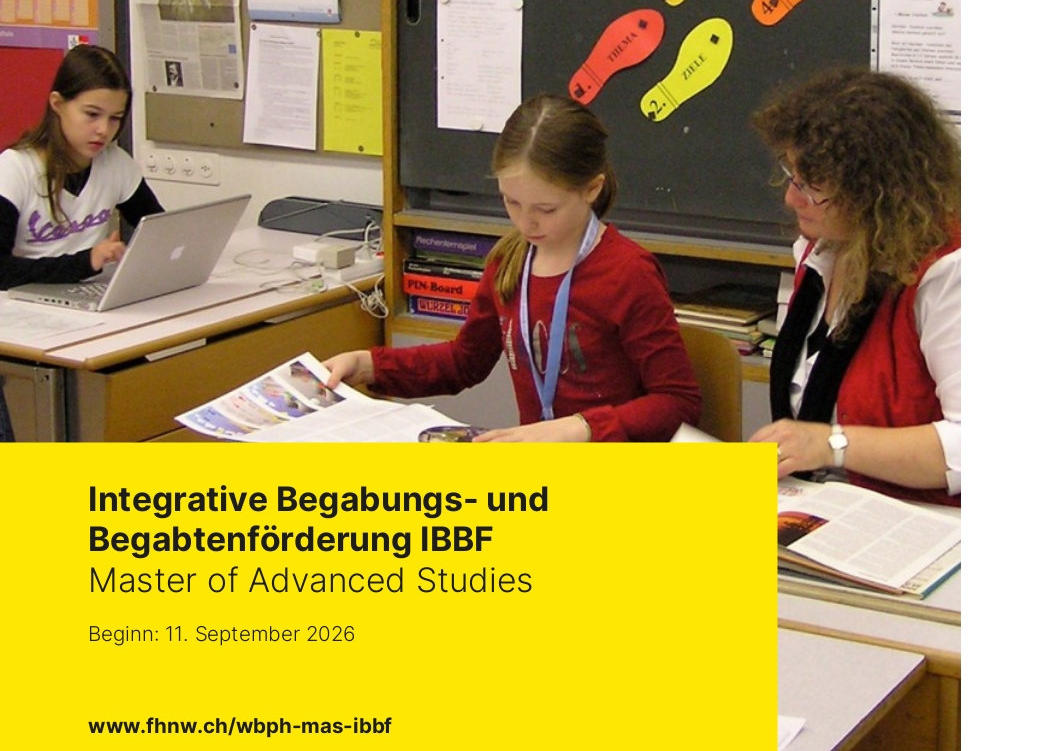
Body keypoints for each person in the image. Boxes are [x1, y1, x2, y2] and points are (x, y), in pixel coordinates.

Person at [325, 94, 702, 441]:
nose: (525, 223)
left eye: (546, 209)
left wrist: (580, 429)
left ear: (592, 189)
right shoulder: (510, 261)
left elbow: (679, 403)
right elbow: (464, 361)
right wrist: (369, 365)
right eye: (511, 202)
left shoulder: (628, 272)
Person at [748, 67, 960, 504]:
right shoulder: (821, 250)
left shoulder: (950, 272)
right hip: (826, 507)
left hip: (922, 523)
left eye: (812, 187)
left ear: (877, 194)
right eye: (792, 176)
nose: (791, 198)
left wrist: (831, 444)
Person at [0, 44, 163, 290]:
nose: (104, 130)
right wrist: (87, 262)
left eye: (115, 118)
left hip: (85, 293)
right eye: (92, 114)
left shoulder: (116, 163)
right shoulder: (14, 169)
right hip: (21, 301)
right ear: (57, 104)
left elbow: (159, 230)